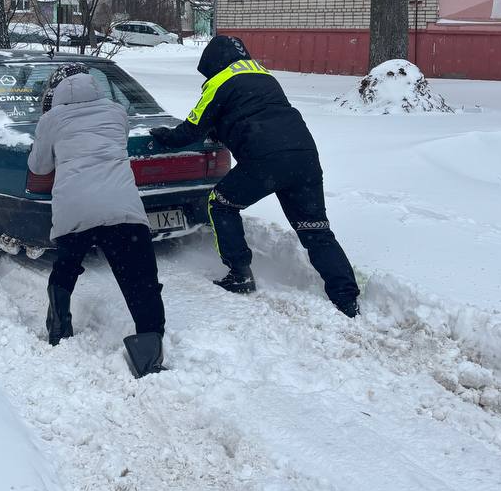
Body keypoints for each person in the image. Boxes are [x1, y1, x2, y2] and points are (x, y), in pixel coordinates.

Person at [150, 35, 360, 317]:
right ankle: (346, 297)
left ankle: (239, 273)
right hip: (304, 156)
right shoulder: (265, 77)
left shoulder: (219, 82)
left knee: (221, 203)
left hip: (266, 160)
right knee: (315, 229)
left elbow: (191, 129)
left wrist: (165, 136)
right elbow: (253, 113)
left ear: (213, 62)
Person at [28, 63, 167, 377]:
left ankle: (59, 329)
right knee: (141, 278)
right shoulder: (117, 112)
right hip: (120, 206)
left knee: (67, 265)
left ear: (56, 92)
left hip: (75, 208)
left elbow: (39, 167)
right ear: (95, 87)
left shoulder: (51, 120)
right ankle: (149, 346)